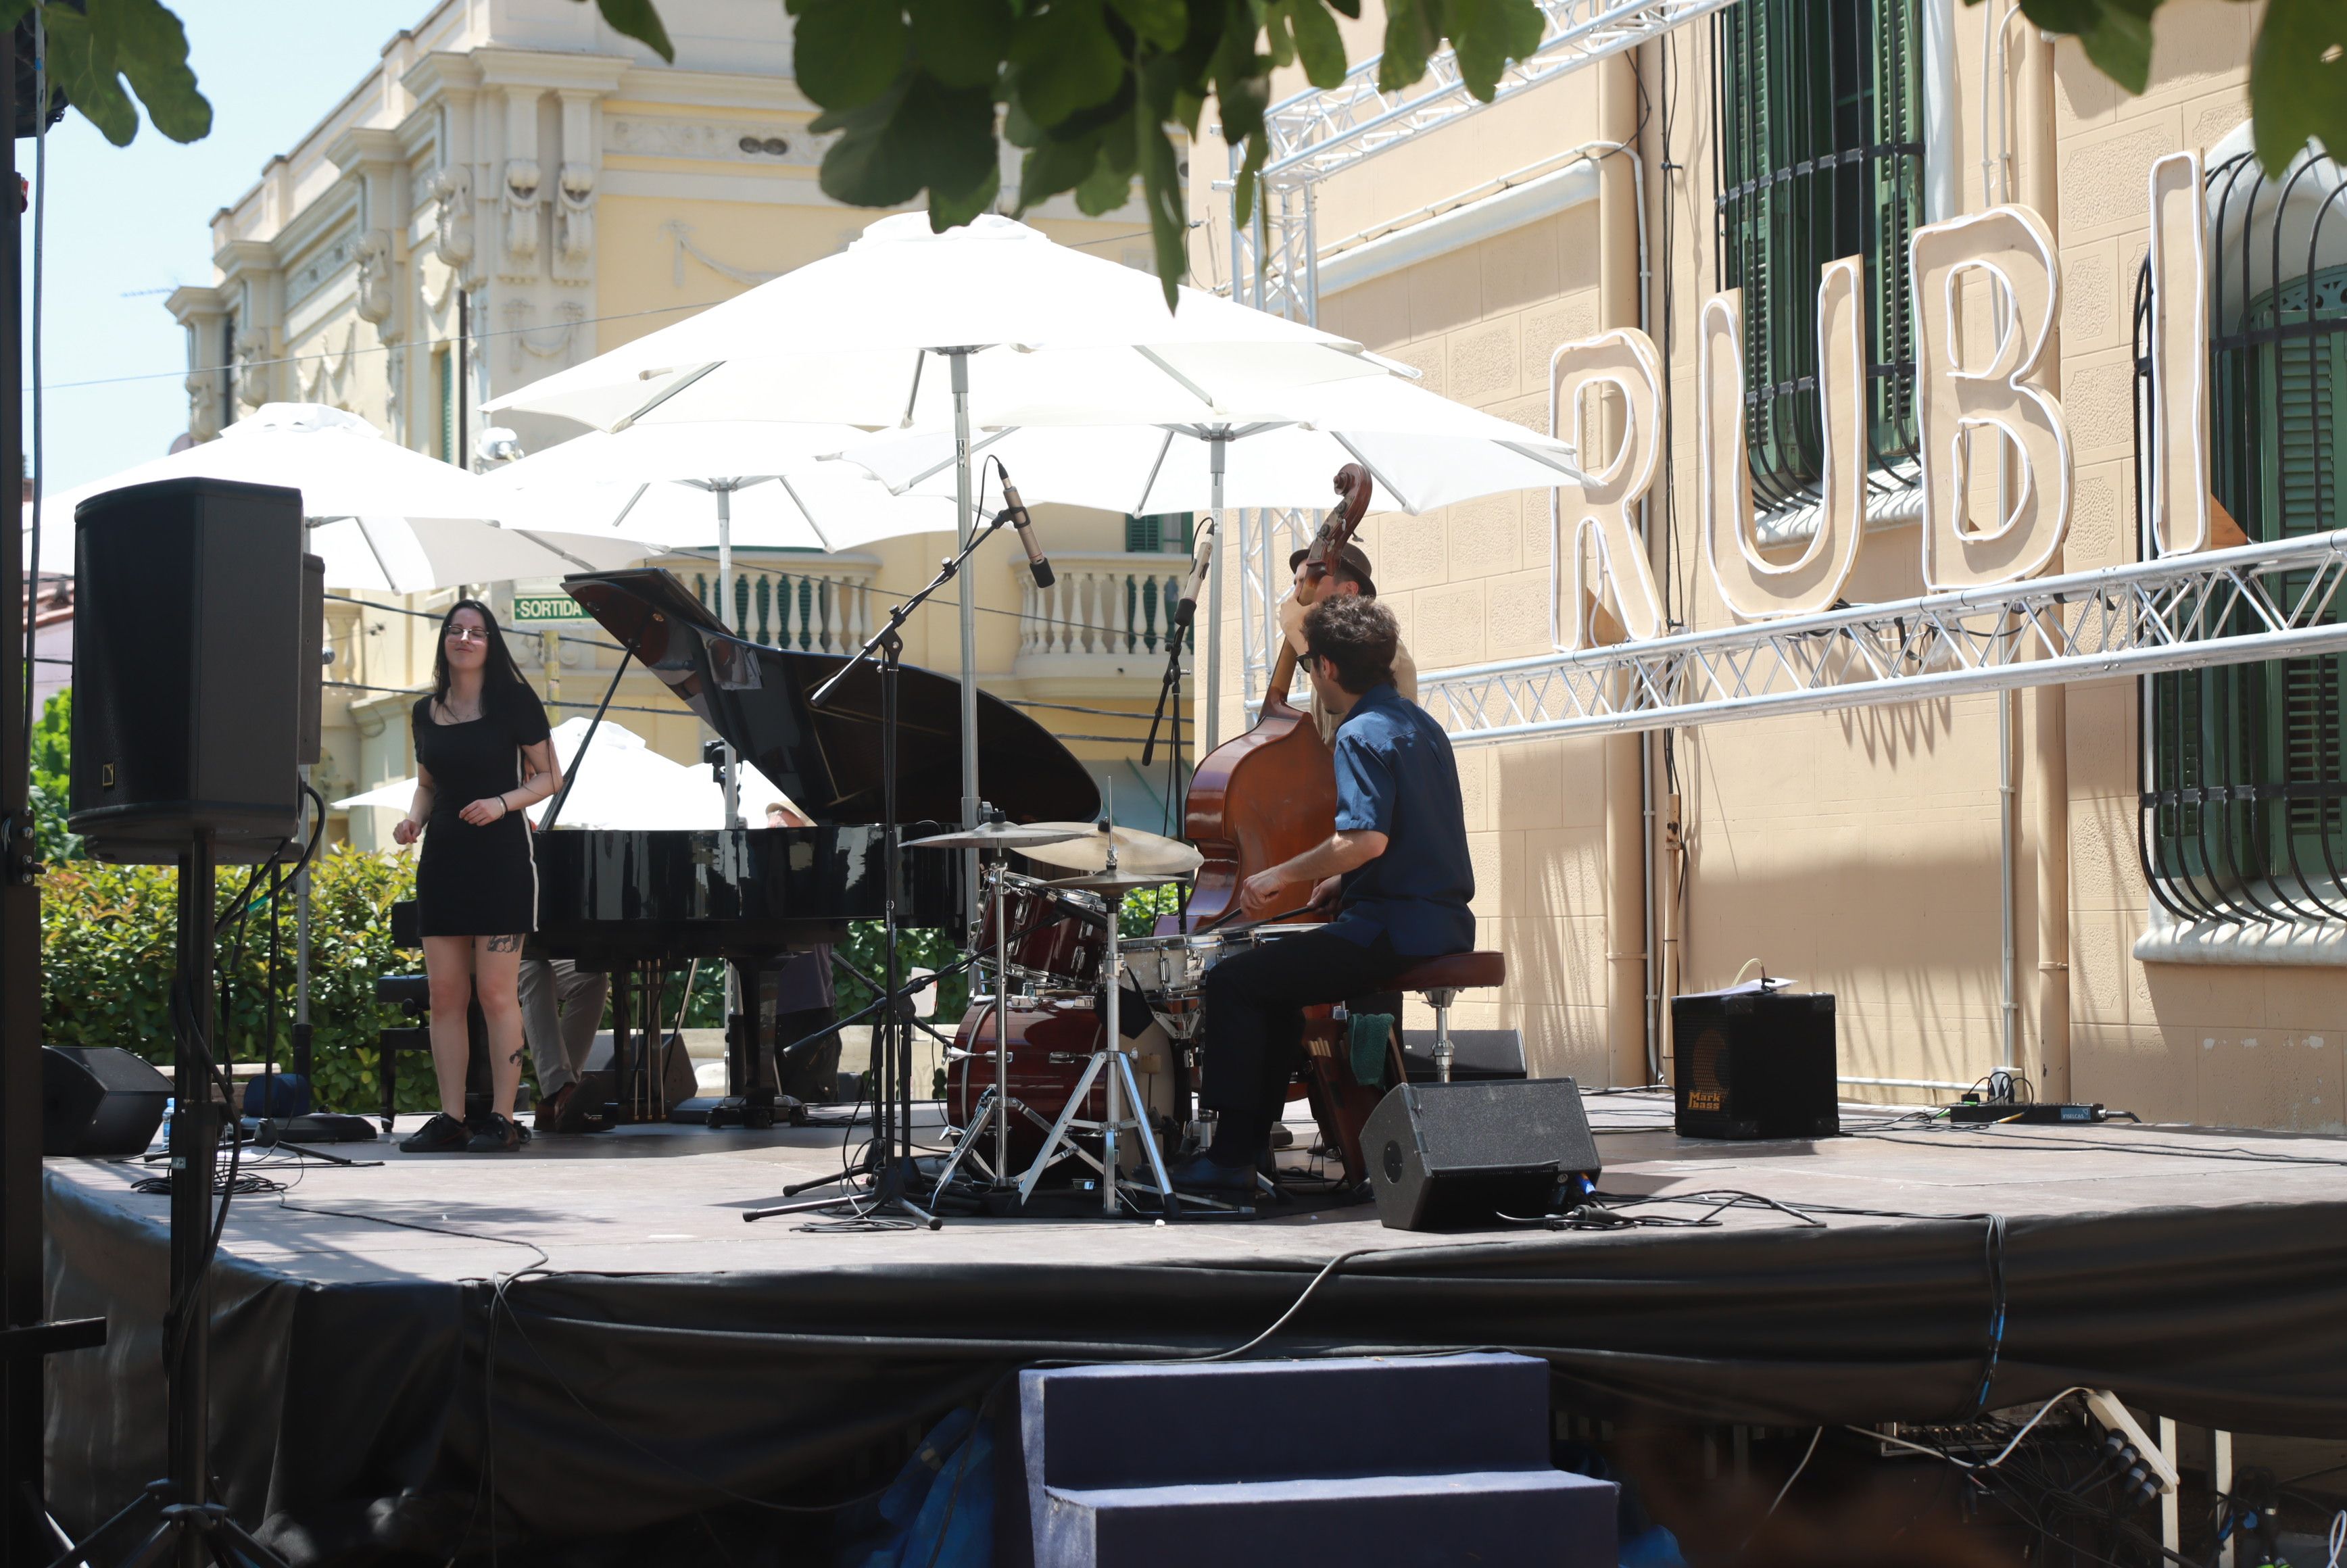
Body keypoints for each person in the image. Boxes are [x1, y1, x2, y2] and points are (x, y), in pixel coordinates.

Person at [1166, 595, 1473, 1196]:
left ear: (1326, 669)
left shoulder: (1360, 733)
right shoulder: (1420, 723)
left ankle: (1232, 1157)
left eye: (1310, 666)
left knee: (1234, 982)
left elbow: (1364, 840)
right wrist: (1341, 881)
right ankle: (1250, 1151)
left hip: (1392, 931)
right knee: (1272, 987)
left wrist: (1283, 875)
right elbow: (1409, 836)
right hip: (1441, 922)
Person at [393, 600, 561, 1154]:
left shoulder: (514, 701)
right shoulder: (425, 711)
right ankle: (451, 1116)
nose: (464, 639)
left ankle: (503, 1118)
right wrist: (413, 820)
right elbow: (427, 782)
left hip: (501, 861)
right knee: (445, 994)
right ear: (444, 641)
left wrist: (500, 802)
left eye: (477, 632)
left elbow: (549, 779)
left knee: (494, 993)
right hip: (442, 861)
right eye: (455, 631)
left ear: (490, 643)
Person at [1276, 541, 1418, 745]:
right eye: (1296, 584)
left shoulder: (1383, 646)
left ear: (1349, 590)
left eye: (1308, 583)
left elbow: (1341, 690)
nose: (1297, 595)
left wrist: (1293, 629)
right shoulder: (1326, 656)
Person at [760, 799, 842, 1103]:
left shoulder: (816, 866)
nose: (774, 831)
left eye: (783, 825)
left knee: (810, 1100)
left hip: (808, 1009)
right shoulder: (769, 870)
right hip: (777, 1006)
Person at [521, 954, 609, 1132]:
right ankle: (559, 1094)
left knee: (592, 977)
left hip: (521, 950)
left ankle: (561, 1103)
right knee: (536, 970)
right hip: (483, 952)